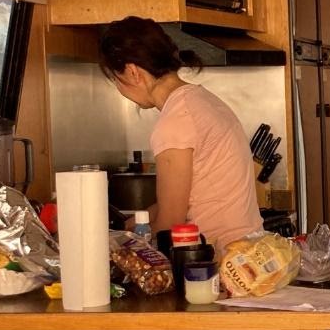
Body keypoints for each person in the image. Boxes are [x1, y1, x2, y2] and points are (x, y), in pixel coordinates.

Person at [98, 16, 262, 252]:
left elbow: (170, 224)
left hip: (215, 260)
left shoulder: (175, 122)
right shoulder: (202, 100)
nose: (119, 88)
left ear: (133, 72)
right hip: (246, 254)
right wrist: (138, 222)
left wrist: (122, 246)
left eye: (116, 79)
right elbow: (184, 198)